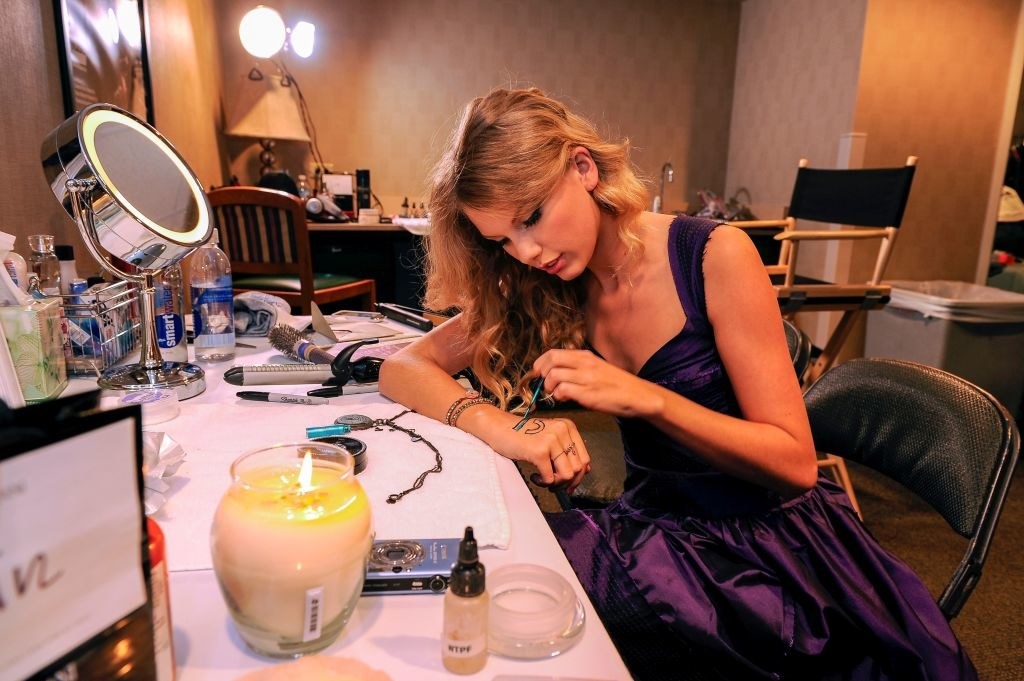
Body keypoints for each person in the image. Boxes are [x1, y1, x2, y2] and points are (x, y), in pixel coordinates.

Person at [378, 87, 976, 680]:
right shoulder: (547, 276)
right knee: (487, 578)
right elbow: (402, 367)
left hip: (765, 556)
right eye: (503, 239)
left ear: (583, 167)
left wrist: (649, 399)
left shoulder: (715, 256)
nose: (527, 251)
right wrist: (505, 428)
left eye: (532, 217)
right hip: (657, 532)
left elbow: (795, 464)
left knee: (521, 615)